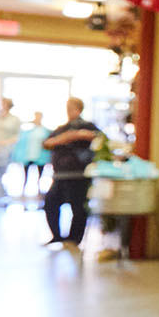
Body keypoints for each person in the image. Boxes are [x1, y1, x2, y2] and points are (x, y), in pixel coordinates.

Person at [42, 98, 101, 246]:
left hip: (79, 175)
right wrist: (66, 137)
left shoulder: (89, 126)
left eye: (72, 107)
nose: (69, 110)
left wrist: (79, 135)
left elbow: (99, 139)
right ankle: (57, 236)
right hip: (60, 175)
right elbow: (47, 143)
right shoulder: (62, 128)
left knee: (78, 207)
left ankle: (74, 239)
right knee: (51, 203)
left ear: (79, 109)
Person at [10, 111, 52, 204]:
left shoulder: (45, 131)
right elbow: (20, 144)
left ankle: (39, 194)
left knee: (40, 176)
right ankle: (23, 194)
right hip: (28, 157)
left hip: (40, 157)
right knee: (25, 175)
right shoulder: (27, 132)